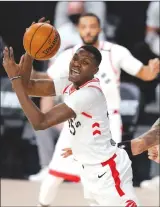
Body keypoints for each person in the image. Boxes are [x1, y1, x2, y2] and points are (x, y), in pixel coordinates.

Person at [29, 13, 160, 195]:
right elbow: (46, 81)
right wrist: (29, 68)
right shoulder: (69, 55)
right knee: (54, 175)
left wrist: (152, 70)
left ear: (99, 29)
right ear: (78, 29)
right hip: (76, 120)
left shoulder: (115, 52)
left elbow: (143, 73)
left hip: (107, 122)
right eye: (84, 27)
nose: (88, 31)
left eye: (92, 26)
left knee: (108, 175)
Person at [3, 45, 139, 206]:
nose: (77, 64)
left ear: (95, 70)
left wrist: (15, 79)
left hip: (107, 172)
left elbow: (40, 122)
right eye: (75, 58)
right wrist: (31, 55)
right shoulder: (71, 82)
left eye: (85, 62)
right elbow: (29, 87)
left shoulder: (88, 94)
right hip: (90, 167)